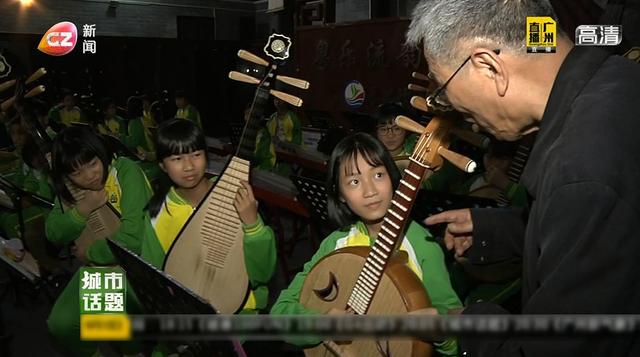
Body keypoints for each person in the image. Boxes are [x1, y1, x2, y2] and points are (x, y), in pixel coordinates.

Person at [406, 0, 640, 356]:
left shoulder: (582, 167)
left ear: (488, 66)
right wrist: (494, 230)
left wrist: (470, 324)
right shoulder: (617, 81)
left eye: (440, 88)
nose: (450, 107)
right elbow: (598, 232)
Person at [271, 132, 462, 356]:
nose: (370, 191)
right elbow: (279, 315)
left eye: (378, 175)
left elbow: (456, 340)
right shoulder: (336, 244)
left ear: (392, 178)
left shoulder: (423, 245)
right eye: (354, 181)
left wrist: (443, 336)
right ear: (340, 195)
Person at [45, 126, 152, 356]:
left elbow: (133, 239)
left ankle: (132, 349)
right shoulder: (70, 189)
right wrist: (83, 209)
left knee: (119, 327)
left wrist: (90, 254)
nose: (89, 175)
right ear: (66, 176)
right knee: (61, 324)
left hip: (138, 268)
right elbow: (53, 233)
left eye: (93, 163)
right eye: (77, 173)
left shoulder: (125, 170)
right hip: (104, 270)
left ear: (100, 152)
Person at [254, 97, 302, 176]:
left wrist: (284, 144)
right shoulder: (273, 116)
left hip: (287, 151)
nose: (277, 101)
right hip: (273, 149)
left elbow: (297, 141)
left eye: (280, 99)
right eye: (275, 99)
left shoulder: (293, 118)